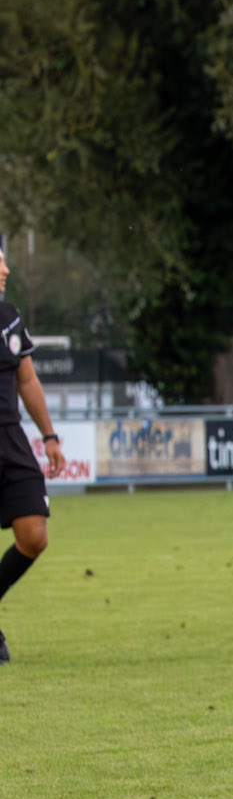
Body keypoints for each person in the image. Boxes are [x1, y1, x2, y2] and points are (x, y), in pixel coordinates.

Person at [0, 245, 64, 666]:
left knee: (34, 535)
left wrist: (49, 436)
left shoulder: (9, 317)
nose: (6, 269)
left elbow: (27, 380)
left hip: (11, 437)